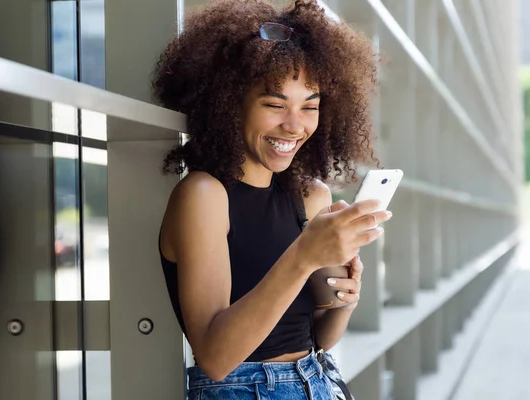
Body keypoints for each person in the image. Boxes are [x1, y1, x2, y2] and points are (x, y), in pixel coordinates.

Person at [154, 1, 391, 398]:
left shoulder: (310, 196)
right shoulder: (203, 196)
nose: (294, 125)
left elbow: (318, 338)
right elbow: (215, 357)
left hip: (318, 380)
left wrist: (343, 301)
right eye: (274, 104)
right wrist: (303, 257)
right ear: (229, 104)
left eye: (310, 107)